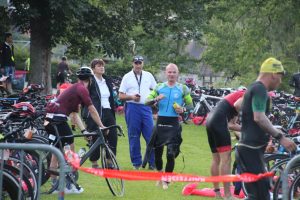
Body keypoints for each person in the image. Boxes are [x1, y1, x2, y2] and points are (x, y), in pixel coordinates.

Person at [236, 57, 296, 200]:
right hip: (251, 149)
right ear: (274, 74)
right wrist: (280, 137)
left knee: (257, 194)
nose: (280, 82)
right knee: (260, 196)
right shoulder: (260, 89)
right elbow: (259, 117)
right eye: (280, 77)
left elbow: (238, 106)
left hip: (248, 148)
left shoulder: (253, 87)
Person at [45, 66, 106, 194]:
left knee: (57, 152)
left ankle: (55, 185)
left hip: (50, 120)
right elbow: (92, 109)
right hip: (58, 120)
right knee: (70, 151)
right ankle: (68, 185)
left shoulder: (74, 88)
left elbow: (74, 115)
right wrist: (101, 125)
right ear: (90, 79)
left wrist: (84, 131)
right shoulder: (82, 89)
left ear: (78, 78)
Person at [145, 63, 193, 189]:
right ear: (166, 73)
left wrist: (183, 109)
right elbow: (146, 102)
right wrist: (156, 99)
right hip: (160, 123)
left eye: (174, 72)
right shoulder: (159, 87)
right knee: (157, 154)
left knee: (171, 154)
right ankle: (160, 175)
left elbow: (190, 106)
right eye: (169, 72)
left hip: (174, 124)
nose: (171, 74)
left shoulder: (183, 89)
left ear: (178, 74)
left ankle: (167, 180)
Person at [205, 89, 245, 199]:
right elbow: (238, 105)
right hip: (218, 121)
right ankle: (228, 195)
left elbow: (232, 125)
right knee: (226, 160)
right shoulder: (247, 94)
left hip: (210, 120)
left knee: (216, 159)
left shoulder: (234, 100)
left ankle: (217, 193)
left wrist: (245, 131)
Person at [119, 55, 157, 170]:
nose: (138, 65)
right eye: (136, 63)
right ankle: (136, 163)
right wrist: (131, 97)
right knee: (134, 136)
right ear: (132, 64)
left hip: (146, 108)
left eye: (140, 63)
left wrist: (153, 101)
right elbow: (120, 95)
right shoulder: (127, 77)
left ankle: (152, 163)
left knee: (150, 136)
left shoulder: (148, 75)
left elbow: (156, 90)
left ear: (143, 64)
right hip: (132, 107)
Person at [81, 58, 117, 168]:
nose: (102, 67)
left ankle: (109, 161)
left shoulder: (107, 80)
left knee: (113, 136)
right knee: (96, 137)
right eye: (98, 66)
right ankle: (94, 162)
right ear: (93, 69)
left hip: (108, 111)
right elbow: (83, 96)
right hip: (95, 112)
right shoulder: (90, 80)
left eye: (102, 65)